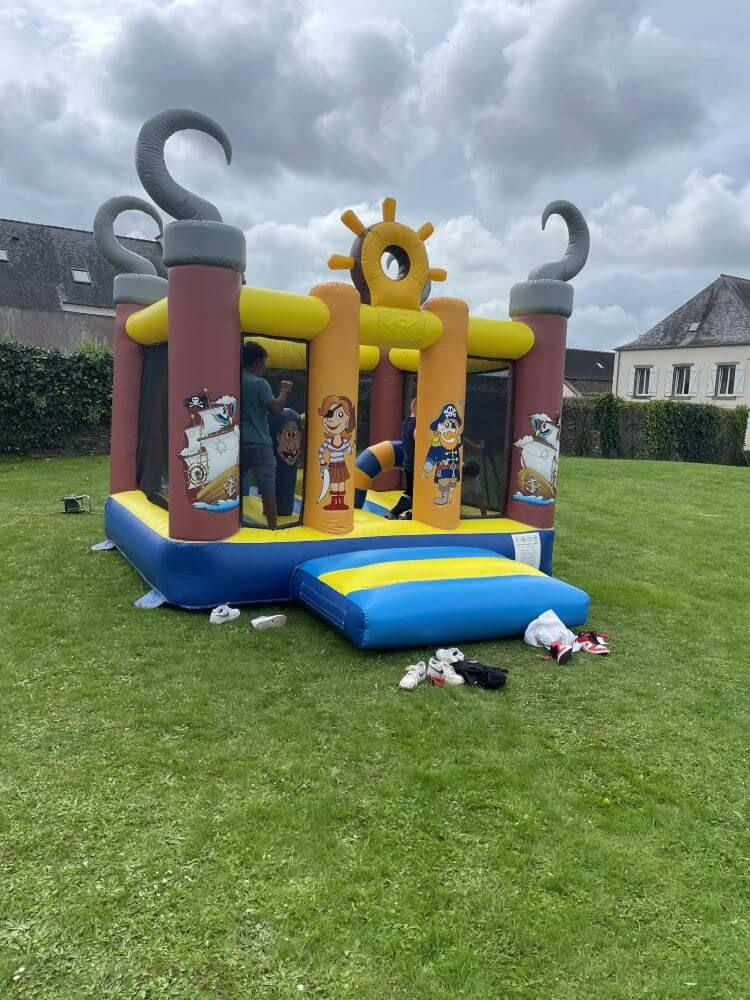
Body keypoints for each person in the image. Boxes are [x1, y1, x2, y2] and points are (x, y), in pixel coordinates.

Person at [241, 341, 292, 528]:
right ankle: (272, 527)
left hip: (238, 441)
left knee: (233, 483)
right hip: (260, 442)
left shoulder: (234, 379)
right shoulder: (259, 383)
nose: (265, 365)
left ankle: (231, 521)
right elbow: (276, 409)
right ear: (257, 361)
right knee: (268, 487)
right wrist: (284, 391)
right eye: (264, 361)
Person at [386, 397, 416, 519]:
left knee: (409, 492)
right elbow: (417, 436)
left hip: (408, 462)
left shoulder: (406, 423)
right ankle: (395, 511)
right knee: (419, 495)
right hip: (416, 464)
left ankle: (395, 513)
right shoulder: (417, 423)